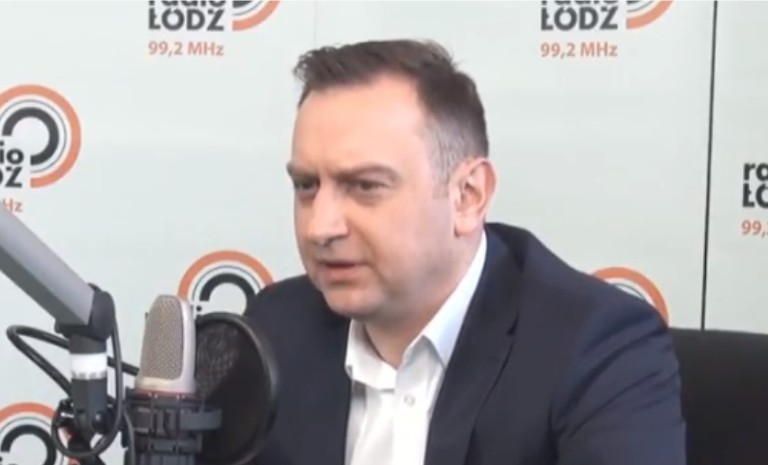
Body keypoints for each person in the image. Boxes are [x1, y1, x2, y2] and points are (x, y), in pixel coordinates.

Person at [244, 38, 686, 465]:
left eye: (365, 186)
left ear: (468, 197)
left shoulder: (595, 345)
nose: (320, 227)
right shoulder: (275, 329)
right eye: (306, 186)